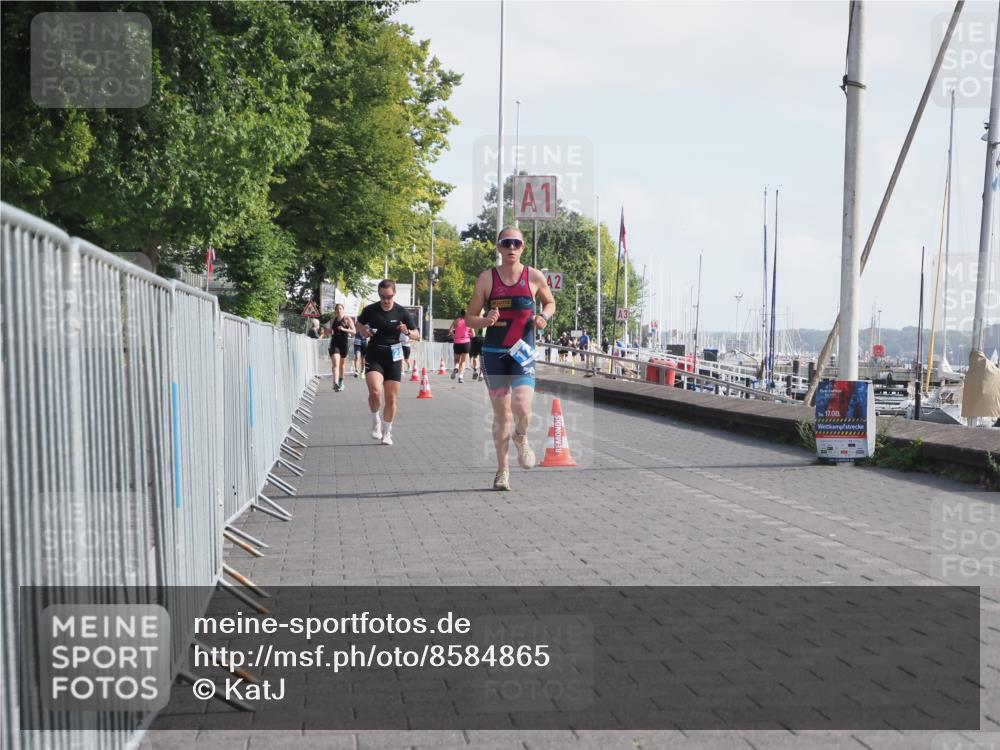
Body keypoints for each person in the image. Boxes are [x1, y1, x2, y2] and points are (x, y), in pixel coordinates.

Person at [466, 227, 555, 491]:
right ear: (499, 247)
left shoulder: (534, 276)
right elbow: (470, 317)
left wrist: (544, 318)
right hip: (494, 354)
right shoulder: (487, 279)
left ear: (523, 247)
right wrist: (485, 320)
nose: (511, 248)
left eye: (516, 243)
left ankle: (522, 437)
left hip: (522, 353)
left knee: (523, 407)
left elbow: (550, 302)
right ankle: (502, 470)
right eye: (507, 243)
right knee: (502, 414)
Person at [356, 280, 420, 446]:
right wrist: (365, 332)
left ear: (394, 294)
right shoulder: (370, 310)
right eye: (382, 296)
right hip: (375, 353)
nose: (385, 300)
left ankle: (387, 432)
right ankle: (375, 419)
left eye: (389, 296)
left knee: (391, 398)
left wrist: (408, 332)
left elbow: (417, 334)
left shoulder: (401, 312)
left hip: (395, 354)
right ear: (379, 294)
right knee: (376, 392)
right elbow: (359, 324)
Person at [327, 303, 354, 392]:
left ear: (343, 309)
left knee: (341, 365)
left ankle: (341, 381)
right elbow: (330, 331)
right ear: (335, 311)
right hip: (335, 343)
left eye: (340, 308)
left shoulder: (347, 319)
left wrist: (344, 329)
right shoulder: (333, 320)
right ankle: (335, 383)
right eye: (337, 309)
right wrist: (327, 331)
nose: (339, 310)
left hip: (344, 343)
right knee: (336, 363)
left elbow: (354, 331)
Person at [448, 312, 472, 383]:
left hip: (457, 342)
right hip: (466, 342)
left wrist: (454, 336)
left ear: (460, 314)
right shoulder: (469, 322)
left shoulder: (456, 321)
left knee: (457, 359)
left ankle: (456, 367)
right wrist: (467, 334)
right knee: (463, 361)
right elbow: (473, 334)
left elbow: (449, 331)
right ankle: (460, 377)